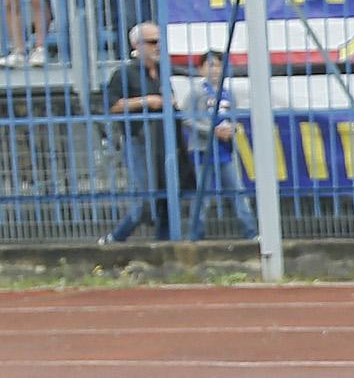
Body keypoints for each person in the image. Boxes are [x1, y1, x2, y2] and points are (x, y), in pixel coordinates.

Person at [100, 21, 193, 242]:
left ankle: (165, 244)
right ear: (137, 45)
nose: (157, 46)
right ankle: (115, 238)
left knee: (168, 195)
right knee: (147, 198)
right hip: (139, 140)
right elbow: (110, 106)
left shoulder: (162, 72)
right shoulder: (125, 73)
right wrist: (146, 101)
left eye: (160, 41)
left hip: (166, 141)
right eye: (152, 42)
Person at [181, 49, 256, 240]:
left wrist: (232, 129)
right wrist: (210, 130)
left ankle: (251, 232)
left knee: (238, 192)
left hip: (224, 150)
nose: (215, 70)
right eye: (210, 65)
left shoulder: (228, 94)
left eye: (218, 65)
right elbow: (187, 119)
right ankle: (195, 236)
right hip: (202, 150)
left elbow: (234, 118)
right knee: (203, 196)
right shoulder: (197, 93)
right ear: (201, 70)